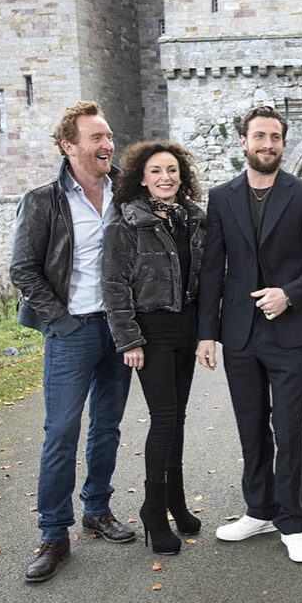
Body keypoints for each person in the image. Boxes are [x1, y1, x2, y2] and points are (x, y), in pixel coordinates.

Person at [197, 105, 302, 563]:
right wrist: (206, 334)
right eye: (260, 136)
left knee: (288, 429)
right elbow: (212, 271)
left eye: (275, 137)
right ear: (244, 141)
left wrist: (290, 294)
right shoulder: (221, 198)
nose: (267, 144)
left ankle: (293, 521)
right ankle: (258, 510)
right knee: (251, 427)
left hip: (289, 333)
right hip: (238, 334)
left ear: (283, 143)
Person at [10, 101, 135, 583]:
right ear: (69, 146)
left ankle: (97, 510)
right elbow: (23, 269)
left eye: (109, 136)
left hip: (120, 330)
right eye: (97, 138)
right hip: (72, 331)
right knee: (61, 432)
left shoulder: (127, 193)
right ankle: (53, 534)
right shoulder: (43, 200)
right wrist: (59, 321)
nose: (107, 144)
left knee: (107, 425)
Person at [102, 141, 206, 555]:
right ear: (141, 178)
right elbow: (114, 284)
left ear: (182, 177)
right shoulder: (127, 222)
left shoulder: (193, 219)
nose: (166, 177)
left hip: (185, 330)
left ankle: (176, 502)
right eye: (157, 171)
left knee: (177, 418)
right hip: (151, 332)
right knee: (164, 418)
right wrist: (128, 338)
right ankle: (153, 509)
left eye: (173, 170)